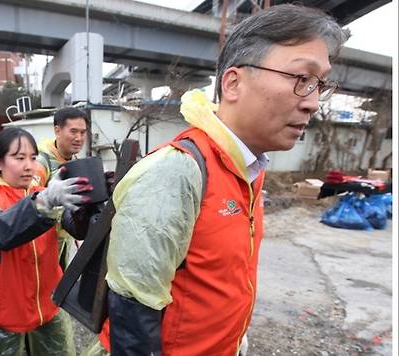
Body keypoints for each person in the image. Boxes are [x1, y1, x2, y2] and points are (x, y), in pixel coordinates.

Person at [84, 4, 346, 355]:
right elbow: (133, 314)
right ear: (234, 83)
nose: (313, 102)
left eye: (319, 84)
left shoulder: (248, 168)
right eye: (302, 79)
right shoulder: (176, 172)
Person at [0, 127, 92, 356]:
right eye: (19, 158)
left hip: (47, 301)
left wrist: (90, 205)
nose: (29, 166)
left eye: (33, 158)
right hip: (5, 308)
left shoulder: (41, 193)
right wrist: (42, 204)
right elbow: (0, 231)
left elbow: (74, 227)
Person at [33, 107, 89, 268]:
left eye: (83, 132)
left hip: (63, 240)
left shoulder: (75, 160)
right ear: (57, 130)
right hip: (41, 243)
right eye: (73, 131)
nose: (79, 138)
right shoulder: (41, 162)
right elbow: (29, 202)